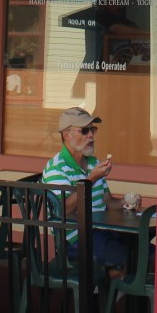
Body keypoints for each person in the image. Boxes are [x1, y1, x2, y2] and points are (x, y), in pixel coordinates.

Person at [41, 106, 135, 276]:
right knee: (125, 258)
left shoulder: (93, 162)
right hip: (75, 238)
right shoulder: (57, 168)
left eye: (92, 129)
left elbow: (107, 201)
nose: (91, 135)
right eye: (85, 130)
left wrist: (124, 202)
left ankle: (116, 295)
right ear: (67, 135)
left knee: (148, 254)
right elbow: (62, 210)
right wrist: (91, 179)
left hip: (103, 230)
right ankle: (104, 299)